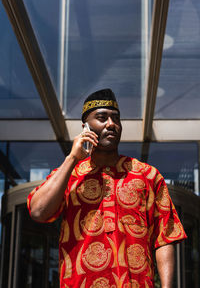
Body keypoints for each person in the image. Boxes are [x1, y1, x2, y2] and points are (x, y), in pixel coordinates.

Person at [27, 89, 187, 288]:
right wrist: (71, 158)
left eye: (116, 119)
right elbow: (38, 211)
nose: (111, 124)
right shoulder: (70, 176)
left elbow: (165, 237)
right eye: (102, 118)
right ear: (85, 126)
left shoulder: (148, 175)